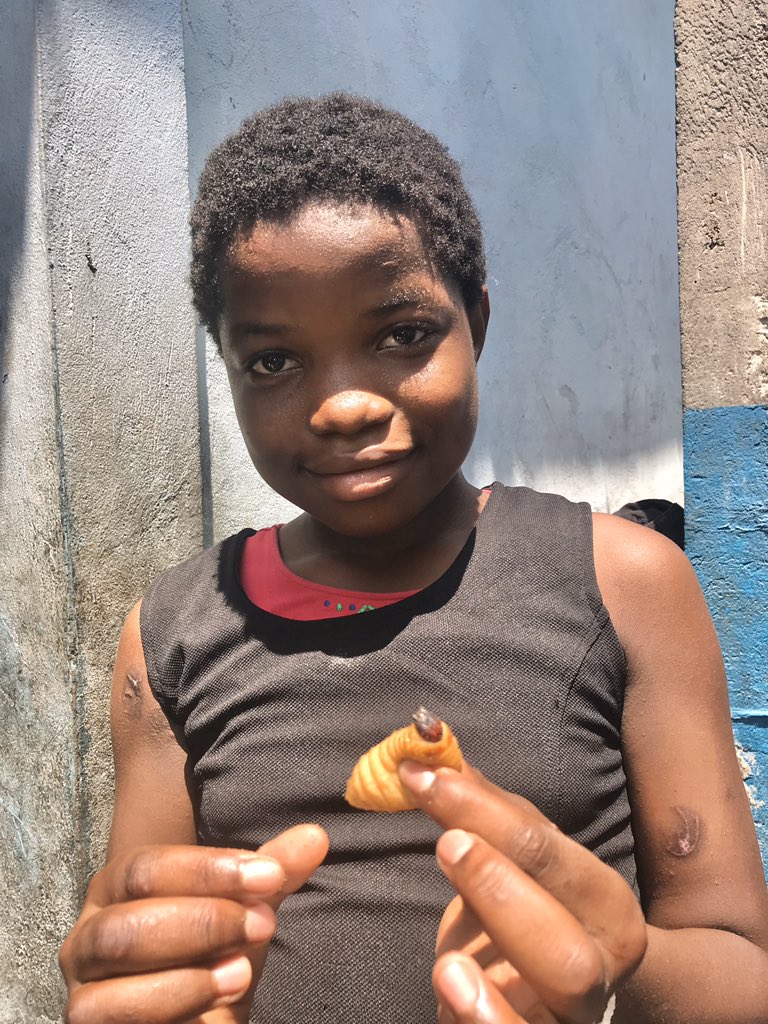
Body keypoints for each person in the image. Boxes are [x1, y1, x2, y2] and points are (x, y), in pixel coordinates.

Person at [59, 93, 768, 1024]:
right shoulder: (170, 637)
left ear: (476, 320)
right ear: (227, 371)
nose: (344, 404)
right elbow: (155, 934)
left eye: (401, 335)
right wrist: (125, 979)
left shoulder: (623, 582)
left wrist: (617, 970)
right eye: (273, 361)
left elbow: (744, 974)